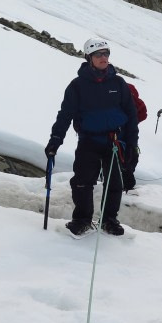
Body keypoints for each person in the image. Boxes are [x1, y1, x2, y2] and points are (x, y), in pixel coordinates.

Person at [45, 38, 139, 237]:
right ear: (89, 57)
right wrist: (55, 139)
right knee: (82, 181)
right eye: (99, 54)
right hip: (88, 141)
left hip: (114, 141)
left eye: (106, 54)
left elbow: (131, 115)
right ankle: (82, 220)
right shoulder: (77, 86)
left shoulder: (118, 83)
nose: (104, 58)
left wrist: (132, 143)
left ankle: (109, 220)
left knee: (114, 183)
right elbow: (65, 115)